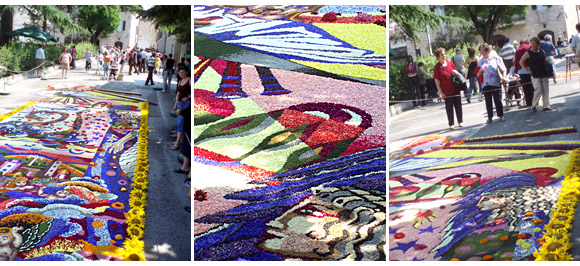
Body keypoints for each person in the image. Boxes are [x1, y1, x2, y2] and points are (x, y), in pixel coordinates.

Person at [520, 36, 553, 112]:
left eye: (535, 44)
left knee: (546, 90)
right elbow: (521, 61)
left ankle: (546, 106)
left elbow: (544, 58)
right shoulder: (528, 53)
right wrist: (527, 70)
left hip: (543, 72)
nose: (534, 46)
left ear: (538, 44)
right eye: (532, 44)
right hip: (535, 74)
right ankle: (534, 105)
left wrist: (547, 60)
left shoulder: (541, 51)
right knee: (538, 89)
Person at [433, 47, 463, 130]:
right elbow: (436, 81)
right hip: (446, 91)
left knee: (458, 105)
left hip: (455, 87)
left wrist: (455, 73)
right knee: (449, 108)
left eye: (444, 54)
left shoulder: (450, 62)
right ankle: (451, 123)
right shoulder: (437, 67)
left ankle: (460, 121)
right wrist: (441, 92)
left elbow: (456, 73)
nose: (444, 56)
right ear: (438, 57)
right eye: (442, 55)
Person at [478, 43, 507, 124]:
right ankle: (489, 117)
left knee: (497, 99)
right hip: (486, 83)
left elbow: (503, 69)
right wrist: (479, 73)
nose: (482, 54)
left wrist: (504, 76)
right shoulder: (480, 61)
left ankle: (501, 115)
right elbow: (477, 74)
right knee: (488, 101)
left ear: (488, 51)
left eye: (483, 52)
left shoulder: (495, 58)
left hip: (495, 82)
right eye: (481, 53)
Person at [172, 67, 191, 150]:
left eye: (183, 72)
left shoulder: (189, 80)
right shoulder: (180, 81)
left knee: (181, 123)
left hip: (186, 104)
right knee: (179, 122)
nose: (181, 74)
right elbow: (178, 94)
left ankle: (177, 143)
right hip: (179, 103)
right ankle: (180, 140)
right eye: (180, 73)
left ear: (187, 72)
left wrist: (188, 98)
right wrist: (175, 105)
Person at [514, 38, 534, 108]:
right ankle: (534, 102)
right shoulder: (529, 47)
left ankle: (528, 103)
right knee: (532, 86)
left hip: (521, 70)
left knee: (525, 87)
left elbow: (516, 61)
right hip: (529, 69)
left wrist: (516, 70)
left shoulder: (517, 50)